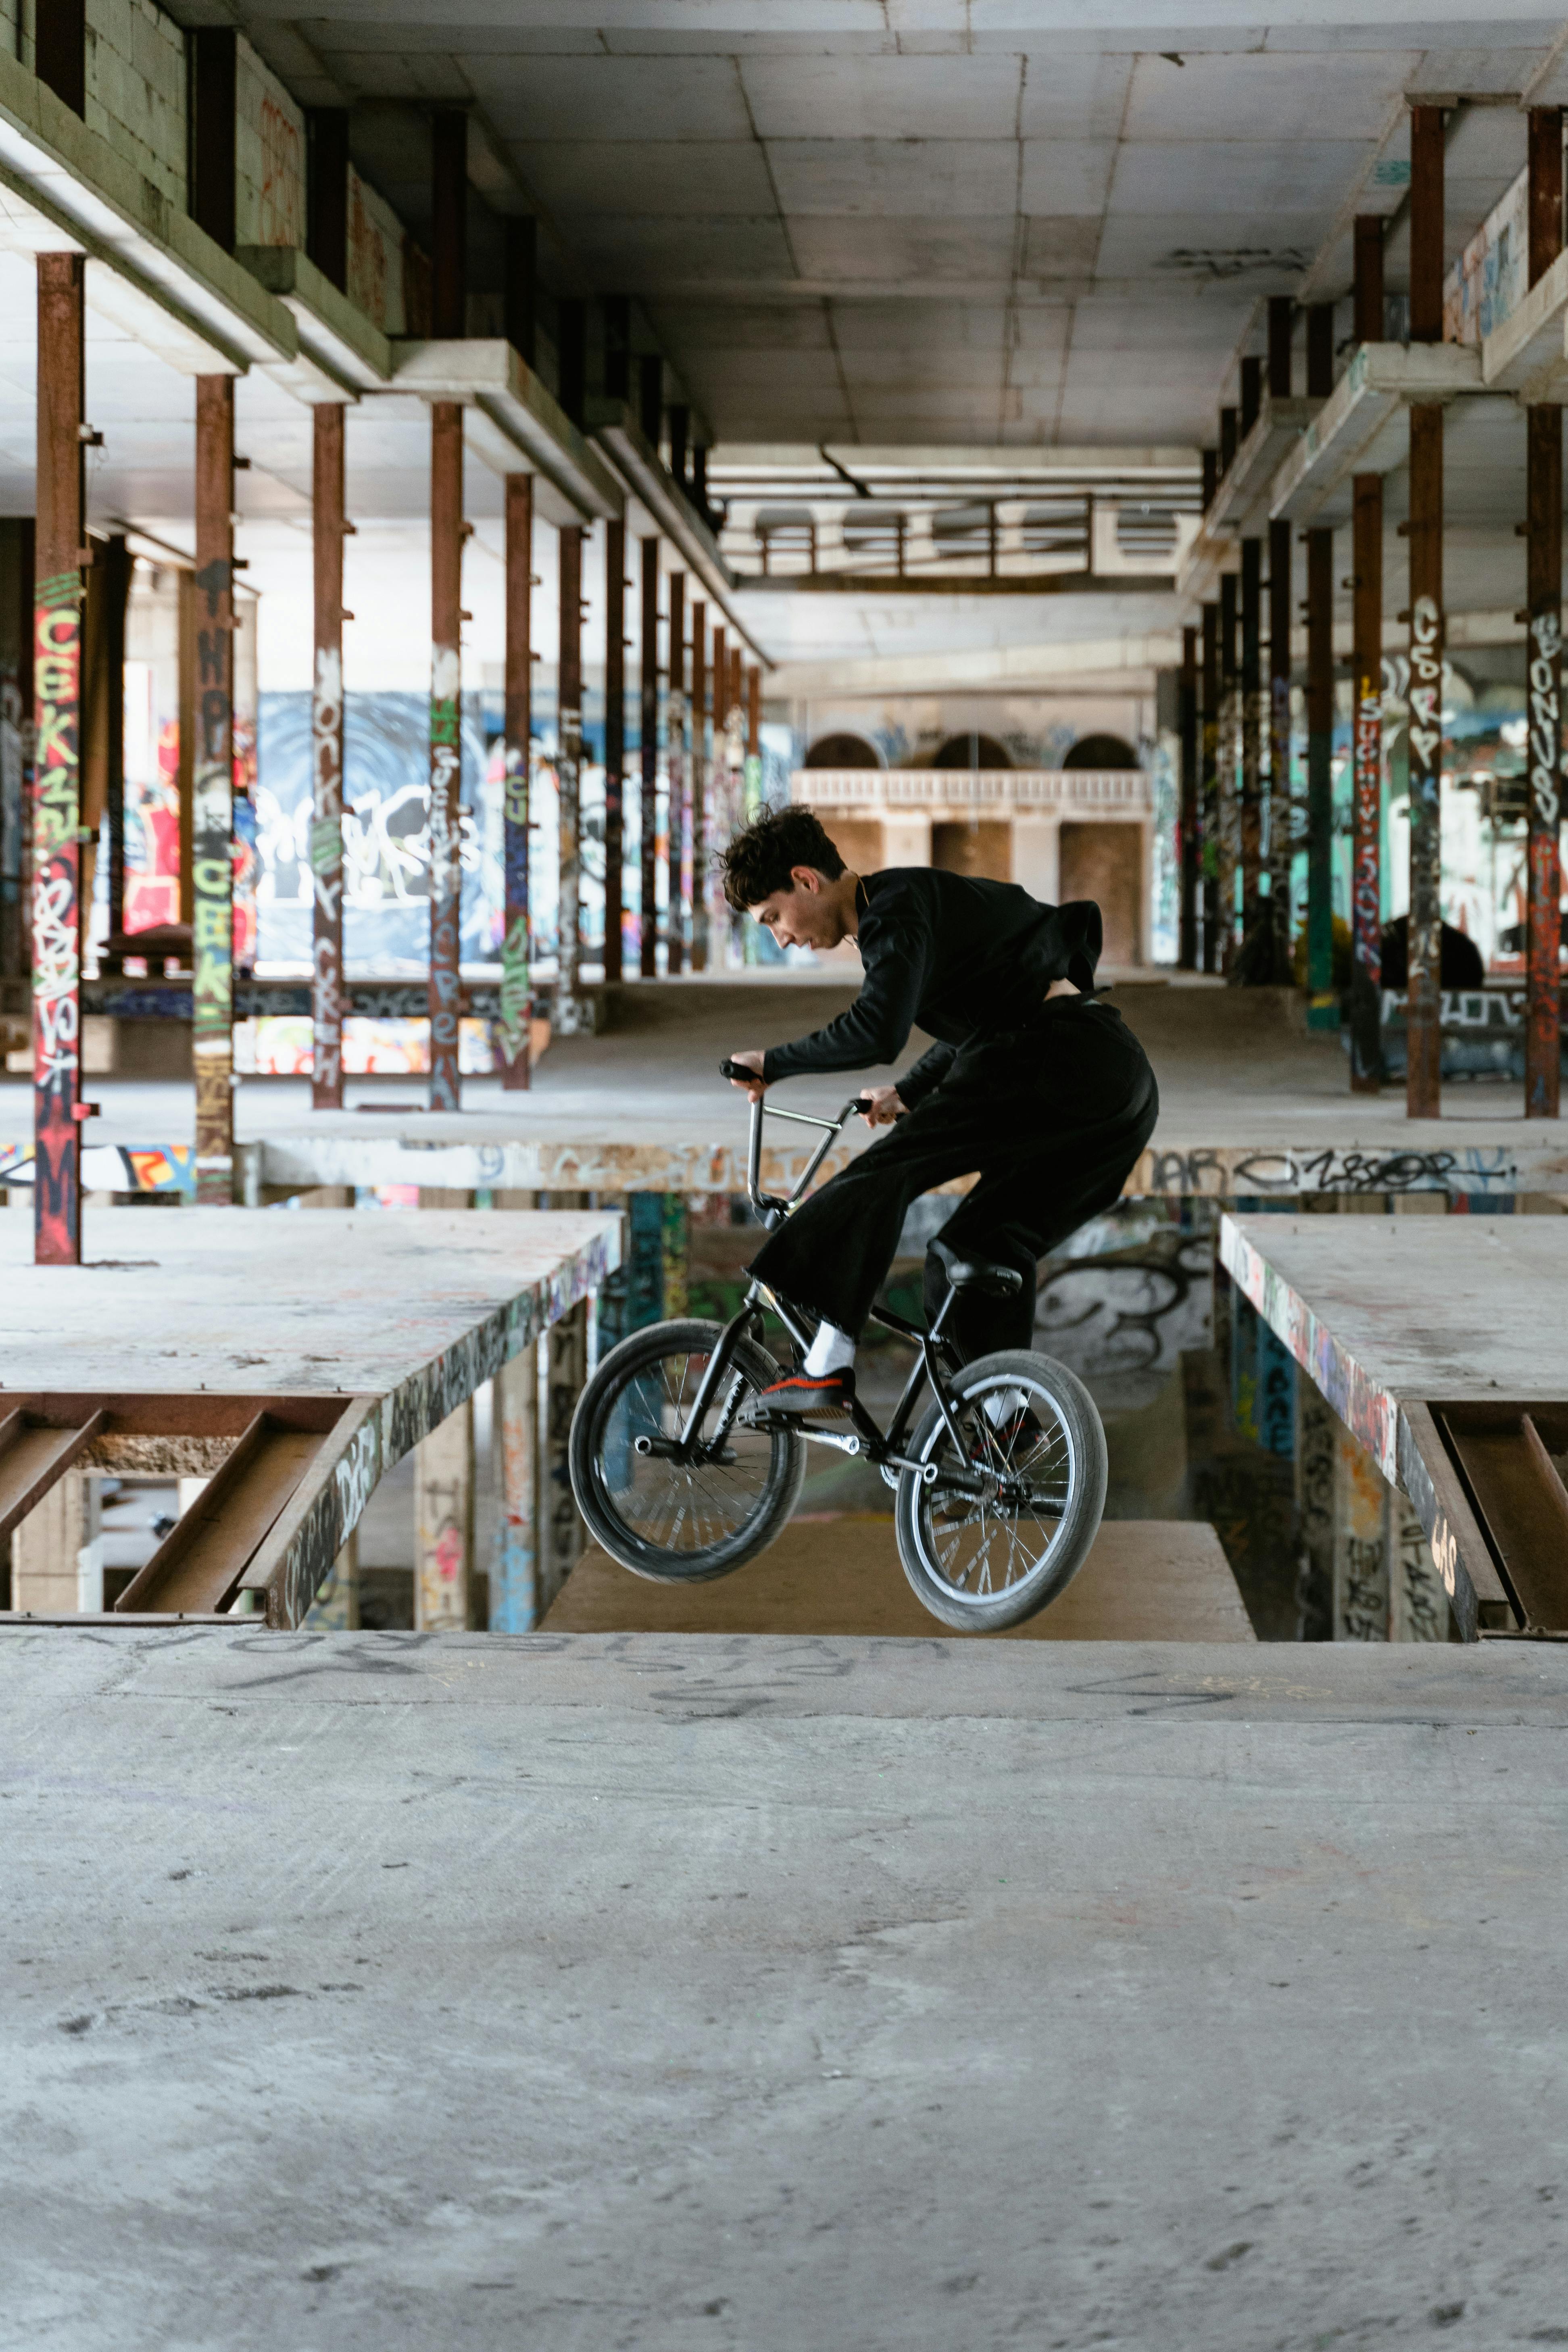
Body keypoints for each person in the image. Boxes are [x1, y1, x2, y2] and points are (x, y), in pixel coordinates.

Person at [721, 807, 1159, 1415]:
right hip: (1118, 1084)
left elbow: (878, 1031)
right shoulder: (907, 907)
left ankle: (826, 1362)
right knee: (975, 1250)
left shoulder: (893, 910)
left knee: (881, 1175)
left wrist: (775, 1061)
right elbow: (984, 1014)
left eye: (773, 918)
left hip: (1053, 1056)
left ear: (806, 880)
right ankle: (1001, 1426)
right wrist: (907, 1092)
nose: (782, 937)